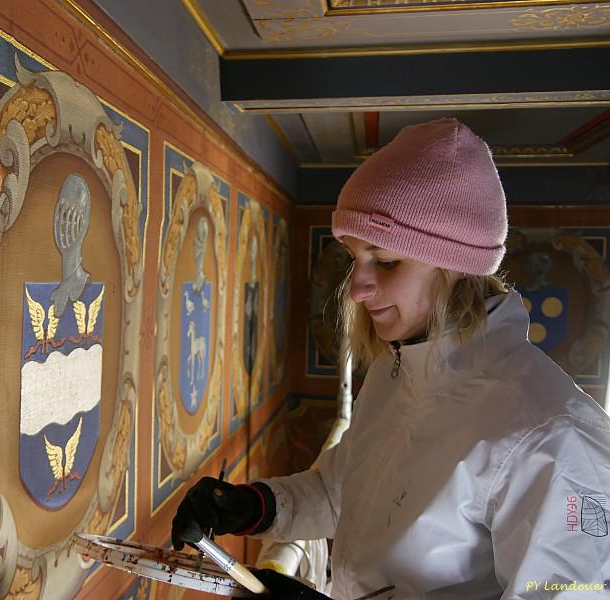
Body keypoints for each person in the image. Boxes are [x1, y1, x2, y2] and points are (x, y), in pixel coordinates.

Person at [171, 118, 610, 599]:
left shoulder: (550, 436)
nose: (357, 289)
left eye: (385, 260)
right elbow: (343, 494)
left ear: (455, 263)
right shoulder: (393, 372)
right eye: (353, 257)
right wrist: (253, 506)